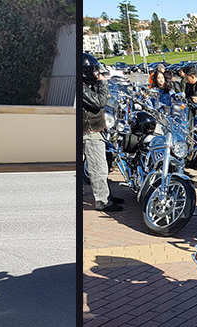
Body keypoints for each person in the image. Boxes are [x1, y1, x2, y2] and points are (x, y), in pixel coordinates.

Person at [81, 53, 122, 212]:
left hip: (96, 130)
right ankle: (102, 201)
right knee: (97, 167)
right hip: (89, 132)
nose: (95, 74)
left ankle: (106, 195)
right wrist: (103, 82)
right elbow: (100, 101)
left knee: (103, 166)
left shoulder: (86, 83)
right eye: (92, 71)